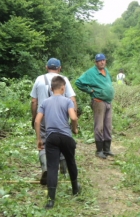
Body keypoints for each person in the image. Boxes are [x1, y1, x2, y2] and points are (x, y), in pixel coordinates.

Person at [34, 76, 80, 209]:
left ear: (51, 88)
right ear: (63, 88)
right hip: (66, 137)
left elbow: (37, 121)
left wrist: (39, 139)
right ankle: (75, 189)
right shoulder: (67, 101)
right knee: (71, 162)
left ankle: (50, 201)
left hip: (52, 138)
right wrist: (74, 128)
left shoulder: (45, 103)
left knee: (53, 167)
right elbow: (73, 117)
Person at [30, 58, 77, 185]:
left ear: (46, 67)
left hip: (44, 116)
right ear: (59, 68)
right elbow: (72, 100)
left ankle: (46, 167)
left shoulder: (39, 79)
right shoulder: (64, 80)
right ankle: (63, 166)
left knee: (44, 143)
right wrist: (74, 121)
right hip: (61, 117)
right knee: (62, 138)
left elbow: (34, 101)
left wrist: (34, 117)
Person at [75, 53, 115, 159]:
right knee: (99, 126)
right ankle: (99, 150)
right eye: (99, 61)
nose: (102, 62)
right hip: (98, 101)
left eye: (103, 60)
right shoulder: (91, 72)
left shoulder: (106, 71)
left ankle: (107, 149)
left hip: (108, 102)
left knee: (108, 126)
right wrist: (89, 90)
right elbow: (78, 82)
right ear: (96, 62)